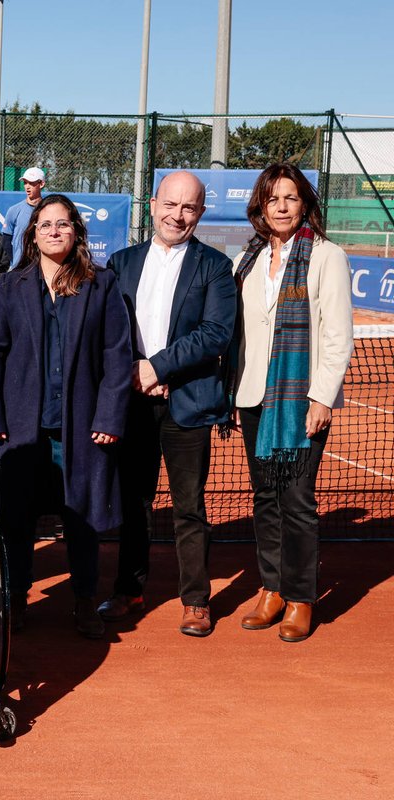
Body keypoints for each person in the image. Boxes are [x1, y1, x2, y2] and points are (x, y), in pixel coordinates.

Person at [0, 194, 133, 639]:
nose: (54, 231)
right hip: (21, 426)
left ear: (76, 231)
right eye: (45, 224)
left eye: (62, 224)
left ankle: (84, 600)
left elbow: (117, 354)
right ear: (32, 234)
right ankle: (16, 598)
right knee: (16, 517)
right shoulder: (11, 286)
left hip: (81, 425)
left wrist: (108, 417)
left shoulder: (101, 284)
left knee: (81, 517)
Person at [97, 171, 236, 637]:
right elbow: (109, 331)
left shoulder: (215, 266)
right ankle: (128, 590)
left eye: (189, 207)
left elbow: (215, 333)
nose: (177, 215)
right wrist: (134, 373)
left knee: (189, 507)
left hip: (187, 403)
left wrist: (156, 369)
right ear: (153, 205)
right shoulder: (121, 262)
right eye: (170, 204)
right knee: (133, 503)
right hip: (133, 403)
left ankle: (196, 600)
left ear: (200, 213)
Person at [229, 163, 352, 643]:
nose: (281, 207)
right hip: (253, 396)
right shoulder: (249, 258)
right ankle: (272, 589)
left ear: (305, 204)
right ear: (260, 206)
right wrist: (233, 391)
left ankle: (301, 598)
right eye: (272, 198)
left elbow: (337, 334)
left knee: (296, 499)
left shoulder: (326, 256)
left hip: (302, 399)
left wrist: (321, 397)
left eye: (291, 197)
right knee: (265, 497)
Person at [3, 166, 46, 270]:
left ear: (41, 184)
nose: (27, 187)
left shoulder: (48, 210)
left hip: (43, 269)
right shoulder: (14, 210)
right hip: (19, 269)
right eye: (25, 183)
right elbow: (6, 241)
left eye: (31, 183)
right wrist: (16, 261)